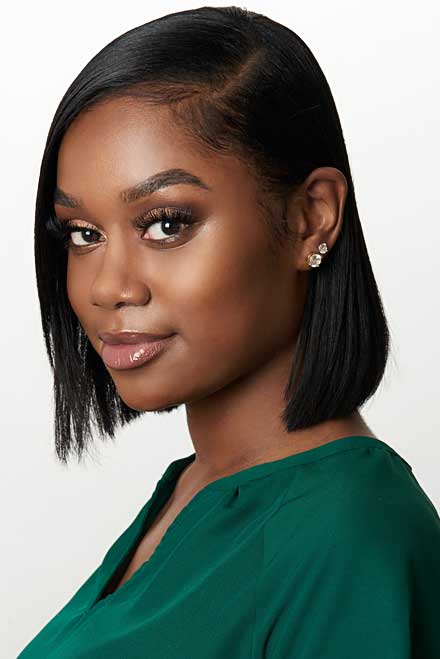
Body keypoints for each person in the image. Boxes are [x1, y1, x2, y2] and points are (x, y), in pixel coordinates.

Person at [18, 5, 440, 658]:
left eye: (165, 223)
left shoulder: (350, 536)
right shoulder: (196, 488)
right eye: (84, 234)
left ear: (310, 219)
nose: (108, 286)